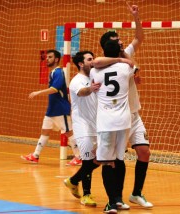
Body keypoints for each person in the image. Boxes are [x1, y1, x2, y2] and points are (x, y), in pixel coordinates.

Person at [97, 3, 153, 208]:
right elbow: (95, 61)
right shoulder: (103, 63)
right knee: (112, 159)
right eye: (116, 40)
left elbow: (139, 38)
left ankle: (136, 193)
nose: (121, 41)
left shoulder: (125, 55)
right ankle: (115, 198)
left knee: (144, 152)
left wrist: (136, 17)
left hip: (133, 115)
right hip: (114, 118)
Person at [64, 50, 132, 207]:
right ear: (81, 64)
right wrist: (91, 89)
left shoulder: (96, 74)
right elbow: (81, 92)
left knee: (99, 159)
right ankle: (86, 194)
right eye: (89, 59)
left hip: (98, 125)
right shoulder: (77, 81)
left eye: (93, 58)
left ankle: (73, 181)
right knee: (88, 160)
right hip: (83, 127)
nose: (92, 61)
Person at [90, 40, 135, 214]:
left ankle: (111, 202)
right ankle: (118, 199)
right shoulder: (126, 68)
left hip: (106, 122)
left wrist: (115, 57)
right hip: (123, 121)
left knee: (107, 162)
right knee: (119, 159)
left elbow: (97, 62)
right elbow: (131, 64)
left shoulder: (95, 71)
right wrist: (122, 56)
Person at [21, 49, 81, 166]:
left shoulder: (58, 72)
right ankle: (35, 155)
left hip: (60, 109)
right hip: (52, 109)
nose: (47, 59)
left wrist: (37, 93)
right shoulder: (52, 73)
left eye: (50, 57)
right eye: (46, 57)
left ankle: (79, 157)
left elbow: (54, 89)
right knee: (44, 131)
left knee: (69, 132)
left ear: (56, 59)